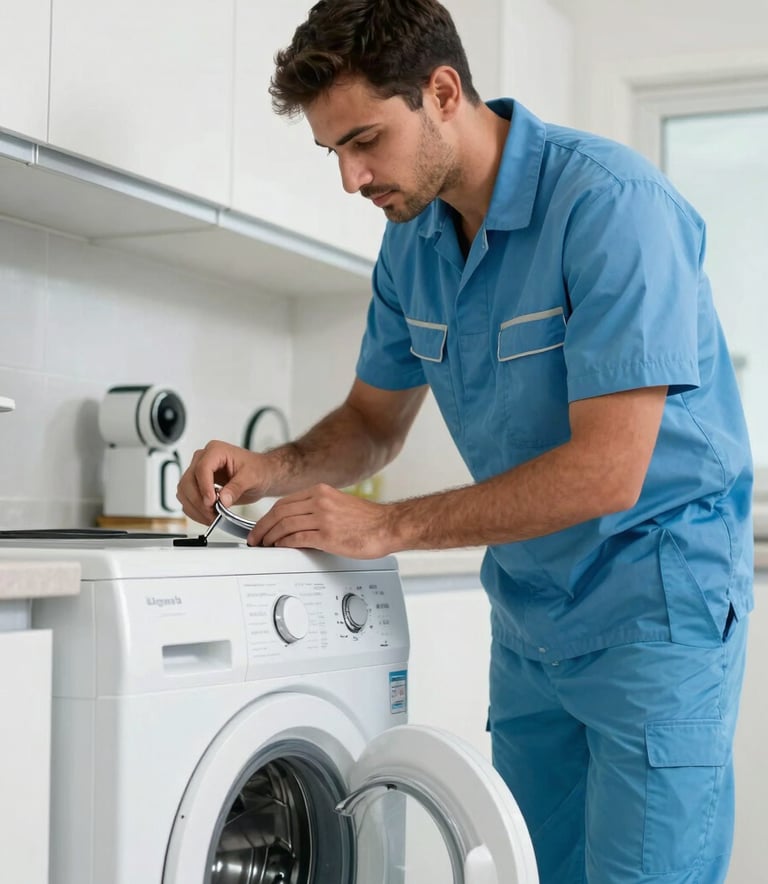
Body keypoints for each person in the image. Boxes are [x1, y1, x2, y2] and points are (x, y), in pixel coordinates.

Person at [176, 1, 754, 881]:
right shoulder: (412, 247)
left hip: (653, 614)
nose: (352, 178)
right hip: (531, 619)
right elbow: (372, 425)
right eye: (334, 151)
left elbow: (608, 472)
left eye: (365, 139)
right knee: (533, 870)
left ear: (443, 92)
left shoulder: (611, 205)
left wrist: (387, 528)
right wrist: (269, 469)